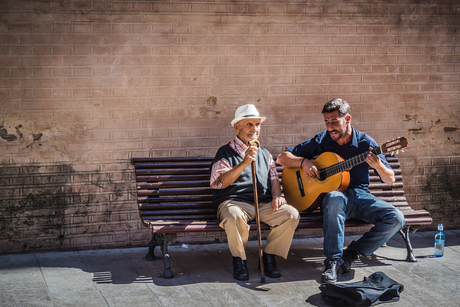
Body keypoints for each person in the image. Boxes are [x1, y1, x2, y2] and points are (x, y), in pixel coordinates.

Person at [277, 98, 405, 284]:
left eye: (334, 121)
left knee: (396, 218)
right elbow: (282, 158)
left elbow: (390, 179)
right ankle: (332, 261)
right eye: (327, 122)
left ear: (348, 119)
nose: (330, 127)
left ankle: (351, 254)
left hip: (360, 196)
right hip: (334, 197)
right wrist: (303, 162)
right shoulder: (321, 140)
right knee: (335, 197)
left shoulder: (365, 143)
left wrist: (378, 166)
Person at [210, 104, 300, 281]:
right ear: (237, 127)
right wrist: (244, 162)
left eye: (257, 124)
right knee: (234, 216)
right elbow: (221, 182)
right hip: (234, 202)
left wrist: (277, 196)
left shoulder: (265, 153)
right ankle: (239, 260)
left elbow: (274, 180)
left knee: (291, 215)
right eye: (249, 124)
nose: (254, 129)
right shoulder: (224, 152)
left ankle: (268, 257)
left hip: (263, 204)